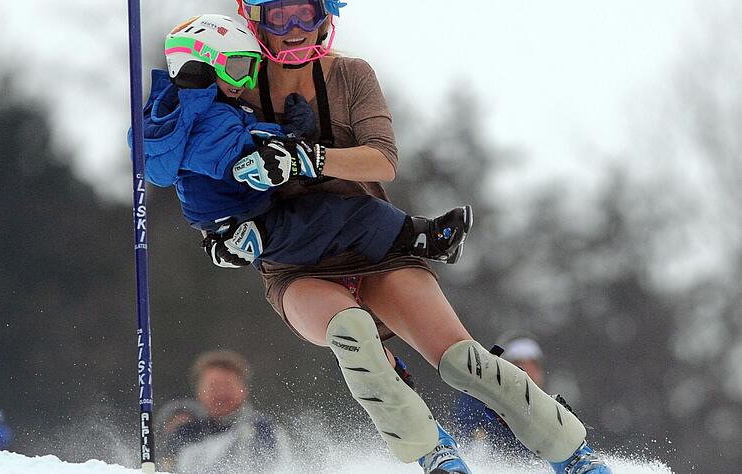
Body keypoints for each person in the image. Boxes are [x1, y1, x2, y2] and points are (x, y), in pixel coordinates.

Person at [197, 1, 613, 473]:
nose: (294, 29)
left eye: (305, 13)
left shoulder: (351, 75)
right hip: (296, 265)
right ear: (254, 20)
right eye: (279, 16)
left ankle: (573, 454)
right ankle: (434, 453)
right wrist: (219, 235)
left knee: (462, 361)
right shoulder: (236, 83)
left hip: (374, 247)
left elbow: (382, 159)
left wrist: (305, 159)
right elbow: (195, 163)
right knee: (352, 336)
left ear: (328, 16)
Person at [139, 13, 471, 270]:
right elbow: (237, 155)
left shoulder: (202, 111)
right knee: (350, 215)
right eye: (238, 69)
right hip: (247, 218)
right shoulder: (199, 120)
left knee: (333, 212)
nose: (246, 82)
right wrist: (286, 143)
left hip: (247, 211)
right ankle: (424, 239)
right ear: (199, 65)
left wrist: (288, 135)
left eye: (252, 70)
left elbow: (244, 142)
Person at [158, 350, 287, 473]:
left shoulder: (261, 429)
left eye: (227, 385)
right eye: (213, 386)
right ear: (198, 391)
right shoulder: (186, 431)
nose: (221, 393)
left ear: (244, 389)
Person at [452, 334, 549, 457]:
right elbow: (464, 439)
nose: (528, 375)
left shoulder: (551, 407)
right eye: (520, 367)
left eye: (533, 368)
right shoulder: (479, 400)